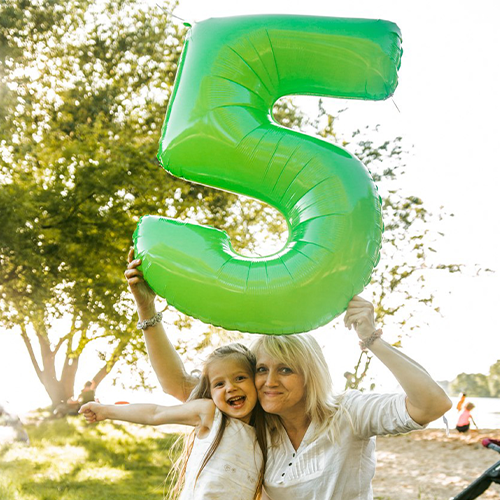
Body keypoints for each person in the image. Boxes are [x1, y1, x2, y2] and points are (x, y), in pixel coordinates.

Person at [125, 249, 452, 499]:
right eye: (262, 370)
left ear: (309, 375)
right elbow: (176, 384)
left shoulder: (350, 412)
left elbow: (432, 404)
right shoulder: (254, 421)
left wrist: (371, 339)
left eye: (285, 370)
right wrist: (146, 308)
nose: (269, 381)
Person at [80, 343, 266, 500]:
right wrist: (107, 410)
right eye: (219, 384)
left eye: (240, 378)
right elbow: (155, 413)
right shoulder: (210, 414)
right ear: (209, 391)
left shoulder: (266, 433)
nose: (230, 388)